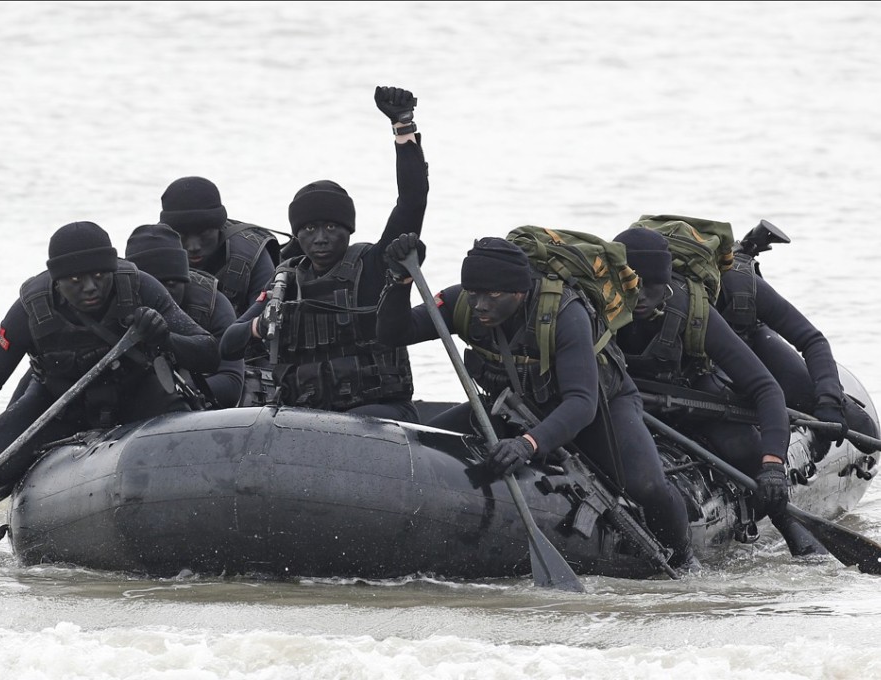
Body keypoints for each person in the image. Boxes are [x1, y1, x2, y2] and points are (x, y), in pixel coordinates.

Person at [376, 234, 699, 571]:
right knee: (421, 447)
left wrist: (527, 445)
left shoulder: (564, 312)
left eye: (493, 295)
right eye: (475, 294)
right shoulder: (463, 303)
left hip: (598, 411)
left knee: (647, 486)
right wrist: (400, 281)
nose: (481, 305)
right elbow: (393, 334)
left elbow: (582, 402)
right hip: (514, 409)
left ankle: (685, 563)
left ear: (519, 291)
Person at [0, 221, 221, 515]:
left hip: (137, 395)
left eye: (100, 275)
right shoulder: (29, 309)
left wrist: (165, 338)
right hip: (61, 405)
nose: (90, 288)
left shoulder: (140, 287)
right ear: (57, 280)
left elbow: (209, 353)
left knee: (186, 448)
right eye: (75, 280)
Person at [611, 226, 825, 556]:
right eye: (632, 286)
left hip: (692, 397)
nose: (640, 297)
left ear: (667, 283)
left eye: (651, 287)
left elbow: (765, 388)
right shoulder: (596, 306)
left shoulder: (692, 311)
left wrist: (771, 465)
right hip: (624, 402)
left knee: (741, 447)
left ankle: (786, 522)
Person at [220, 85, 428, 423]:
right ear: (297, 233)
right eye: (309, 229)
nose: (319, 239)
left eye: (331, 228)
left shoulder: (371, 265)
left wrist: (403, 127)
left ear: (348, 230)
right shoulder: (286, 280)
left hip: (380, 412)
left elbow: (413, 200)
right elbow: (229, 343)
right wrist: (261, 325)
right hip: (309, 416)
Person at [718, 220, 878, 459]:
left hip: (749, 340)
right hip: (704, 364)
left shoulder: (740, 284)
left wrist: (829, 400)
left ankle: (838, 399)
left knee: (866, 434)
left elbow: (812, 339)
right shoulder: (658, 297)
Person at [125, 222, 244, 409]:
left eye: (171, 284)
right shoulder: (117, 302)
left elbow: (231, 381)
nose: (162, 294)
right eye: (153, 285)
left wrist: (174, 393)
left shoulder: (212, 304)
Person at [158, 176, 279, 317]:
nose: (193, 247)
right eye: (181, 236)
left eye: (203, 234)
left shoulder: (250, 254)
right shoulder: (152, 252)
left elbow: (263, 314)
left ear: (219, 227)